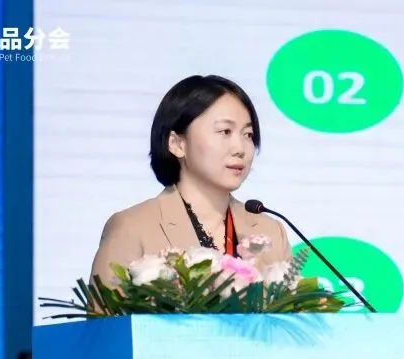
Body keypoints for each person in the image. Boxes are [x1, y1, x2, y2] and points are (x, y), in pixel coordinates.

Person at [89, 74, 293, 287]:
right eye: (225, 131)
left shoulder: (270, 231)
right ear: (177, 144)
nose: (240, 149)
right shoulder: (132, 228)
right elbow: (105, 308)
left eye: (248, 134)